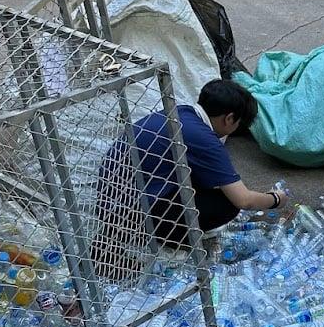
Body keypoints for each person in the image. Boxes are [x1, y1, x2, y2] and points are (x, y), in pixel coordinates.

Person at [118, 78, 286, 245]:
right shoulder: (204, 139)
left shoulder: (182, 113)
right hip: (135, 216)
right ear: (229, 118)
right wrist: (275, 199)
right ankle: (168, 242)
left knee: (208, 179)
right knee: (226, 204)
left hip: (118, 201)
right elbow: (244, 200)